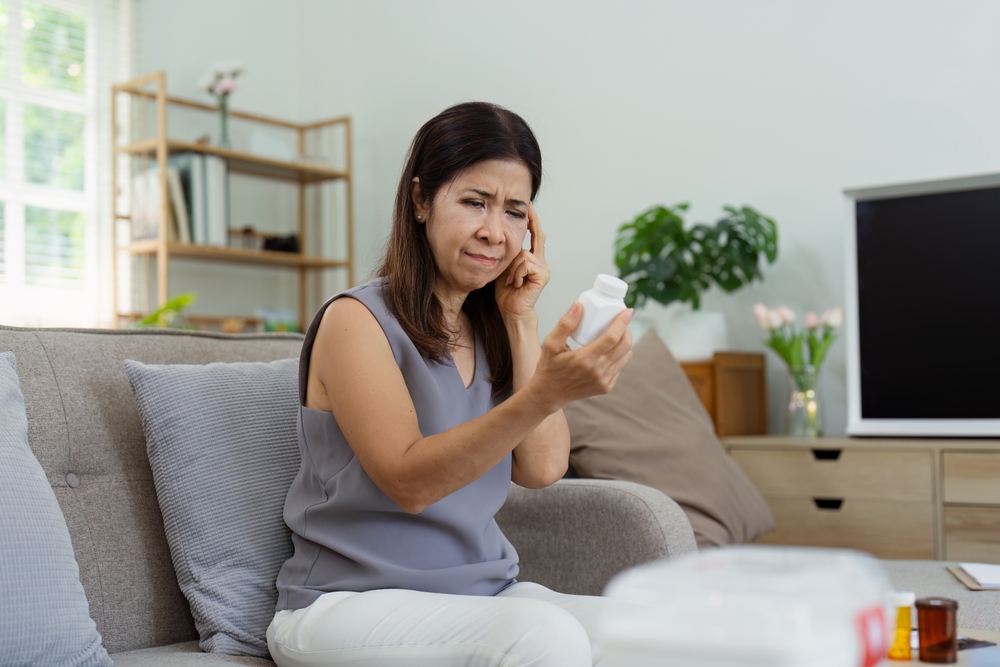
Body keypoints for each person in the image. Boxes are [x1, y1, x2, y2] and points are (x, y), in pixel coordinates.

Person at [267, 101, 634, 667]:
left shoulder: (494, 329)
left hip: (478, 597)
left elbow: (541, 469)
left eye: (515, 211)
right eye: (474, 202)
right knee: (544, 636)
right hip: (343, 606)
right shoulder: (357, 321)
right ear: (420, 200)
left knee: (643, 632)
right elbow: (408, 482)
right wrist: (545, 394)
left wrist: (521, 319)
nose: (494, 231)